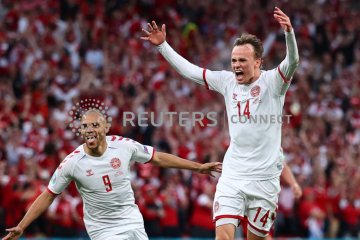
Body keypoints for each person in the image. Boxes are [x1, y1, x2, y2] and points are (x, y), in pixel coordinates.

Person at [141, 6, 299, 240]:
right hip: (233, 175)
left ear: (258, 62)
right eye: (234, 60)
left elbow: (292, 61)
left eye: (242, 60)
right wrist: (163, 46)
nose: (236, 65)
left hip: (264, 181)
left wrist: (289, 34)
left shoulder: (274, 82)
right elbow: (191, 71)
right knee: (223, 236)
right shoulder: (227, 81)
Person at [2, 109, 222, 240]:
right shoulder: (72, 162)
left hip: (132, 220)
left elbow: (159, 158)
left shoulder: (124, 146)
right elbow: (48, 194)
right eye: (85, 126)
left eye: (95, 125)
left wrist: (199, 167)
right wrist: (22, 225)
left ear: (105, 127)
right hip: (103, 228)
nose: (89, 129)